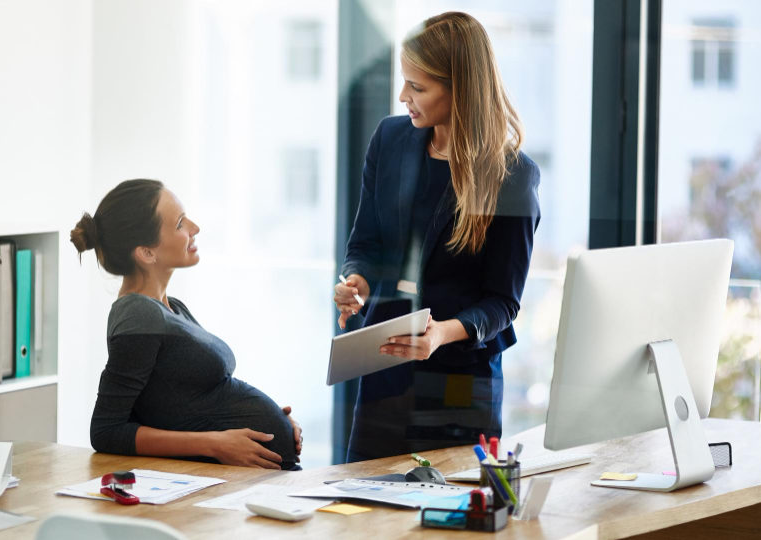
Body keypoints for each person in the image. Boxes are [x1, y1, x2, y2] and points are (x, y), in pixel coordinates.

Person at [334, 12, 541, 462]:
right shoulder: (390, 139)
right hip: (385, 372)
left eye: (418, 87)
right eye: (405, 82)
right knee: (365, 514)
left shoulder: (512, 177)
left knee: (448, 521)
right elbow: (365, 245)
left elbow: (502, 302)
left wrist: (440, 334)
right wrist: (356, 282)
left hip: (462, 381)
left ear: (459, 89)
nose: (402, 96)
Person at [72, 179, 302, 470]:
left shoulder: (172, 307)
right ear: (146, 252)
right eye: (180, 223)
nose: (194, 228)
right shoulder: (137, 314)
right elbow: (107, 430)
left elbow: (180, 402)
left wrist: (275, 420)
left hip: (254, 478)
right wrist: (216, 443)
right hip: (214, 483)